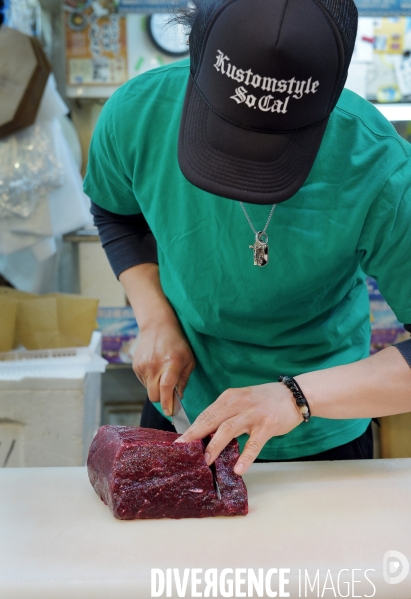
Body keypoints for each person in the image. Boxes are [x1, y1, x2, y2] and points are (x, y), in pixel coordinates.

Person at [84, 0, 411, 476]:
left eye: (276, 143)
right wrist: (154, 317)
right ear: (196, 51)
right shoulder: (137, 114)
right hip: (183, 407)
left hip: (320, 427)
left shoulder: (380, 168)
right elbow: (117, 215)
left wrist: (297, 397)